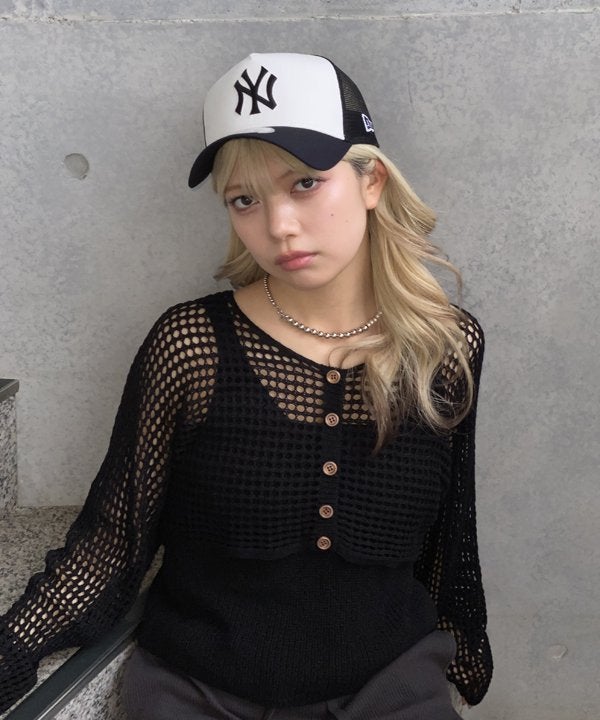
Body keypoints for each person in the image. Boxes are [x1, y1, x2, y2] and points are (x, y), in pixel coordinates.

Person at [0, 52, 492, 719]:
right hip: (199, 692)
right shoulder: (192, 347)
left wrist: (460, 654)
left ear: (371, 180)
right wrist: (11, 648)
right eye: (244, 200)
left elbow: (449, 537)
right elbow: (112, 540)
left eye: (306, 183)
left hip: (390, 685)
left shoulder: (446, 347)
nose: (279, 226)